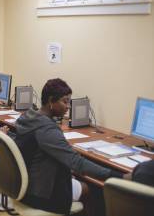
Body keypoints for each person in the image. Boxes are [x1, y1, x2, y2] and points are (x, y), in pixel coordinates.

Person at [14, 78, 125, 215]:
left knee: (81, 178)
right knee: (96, 188)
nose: (68, 106)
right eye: (64, 101)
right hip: (41, 195)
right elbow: (76, 162)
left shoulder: (28, 117)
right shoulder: (46, 129)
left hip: (27, 185)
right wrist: (116, 176)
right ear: (51, 101)